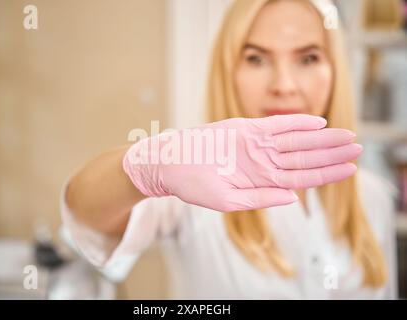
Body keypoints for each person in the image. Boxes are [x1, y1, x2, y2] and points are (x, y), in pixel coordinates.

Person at [60, 0, 397, 299]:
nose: (283, 85)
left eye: (308, 58)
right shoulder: (189, 186)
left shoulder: (374, 199)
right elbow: (85, 216)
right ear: (228, 69)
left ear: (335, 69)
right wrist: (149, 167)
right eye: (256, 58)